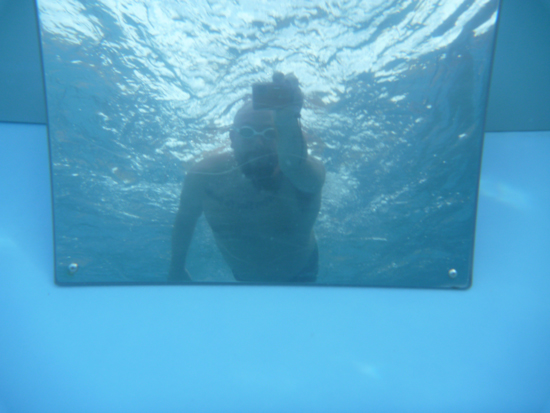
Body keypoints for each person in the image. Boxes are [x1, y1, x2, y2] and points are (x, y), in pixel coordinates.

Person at [169, 72, 325, 283]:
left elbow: (293, 164)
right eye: (247, 132)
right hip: (244, 279)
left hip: (299, 276)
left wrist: (287, 120)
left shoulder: (307, 175)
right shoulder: (203, 176)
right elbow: (185, 220)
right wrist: (176, 269)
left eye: (270, 133)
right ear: (232, 138)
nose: (259, 143)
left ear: (283, 137)